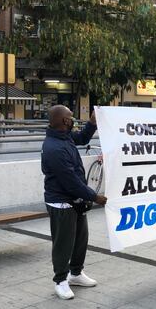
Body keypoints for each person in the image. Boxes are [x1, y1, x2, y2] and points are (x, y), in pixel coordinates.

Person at [42, 105, 107, 300]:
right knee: (63, 244)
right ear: (64, 121)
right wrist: (95, 197)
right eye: (71, 118)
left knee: (80, 240)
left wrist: (92, 123)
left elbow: (82, 138)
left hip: (75, 201)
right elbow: (70, 182)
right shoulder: (54, 148)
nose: (73, 121)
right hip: (61, 202)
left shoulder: (65, 137)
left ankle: (76, 273)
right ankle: (61, 281)